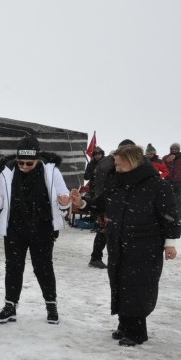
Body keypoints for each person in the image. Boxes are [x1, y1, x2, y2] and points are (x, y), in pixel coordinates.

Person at [71, 144, 179, 346]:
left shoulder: (157, 185)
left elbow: (170, 217)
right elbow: (100, 205)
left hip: (146, 244)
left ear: (134, 162)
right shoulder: (116, 182)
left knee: (138, 286)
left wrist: (170, 244)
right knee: (119, 282)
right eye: (116, 165)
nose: (117, 168)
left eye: (120, 165)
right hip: (118, 242)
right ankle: (124, 325)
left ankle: (137, 331)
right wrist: (83, 202)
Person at [0, 137, 71, 324]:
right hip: (15, 228)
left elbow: (64, 199)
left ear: (38, 159)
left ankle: (51, 306)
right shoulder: (6, 172)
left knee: (43, 268)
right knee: (13, 268)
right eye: (21, 162)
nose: (24, 166)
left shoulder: (51, 171)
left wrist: (66, 203)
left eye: (29, 163)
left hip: (43, 228)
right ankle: (10, 306)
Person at [84, 140, 135, 268]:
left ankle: (99, 257)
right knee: (104, 230)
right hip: (106, 201)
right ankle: (96, 257)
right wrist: (103, 201)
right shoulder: (110, 163)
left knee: (106, 231)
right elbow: (101, 183)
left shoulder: (109, 161)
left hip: (107, 200)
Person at [163, 142, 181, 208]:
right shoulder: (165, 157)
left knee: (178, 200)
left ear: (178, 149)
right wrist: (166, 161)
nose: (174, 149)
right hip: (167, 181)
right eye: (172, 148)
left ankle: (178, 216)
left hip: (179, 182)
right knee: (166, 199)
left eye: (176, 148)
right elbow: (161, 165)